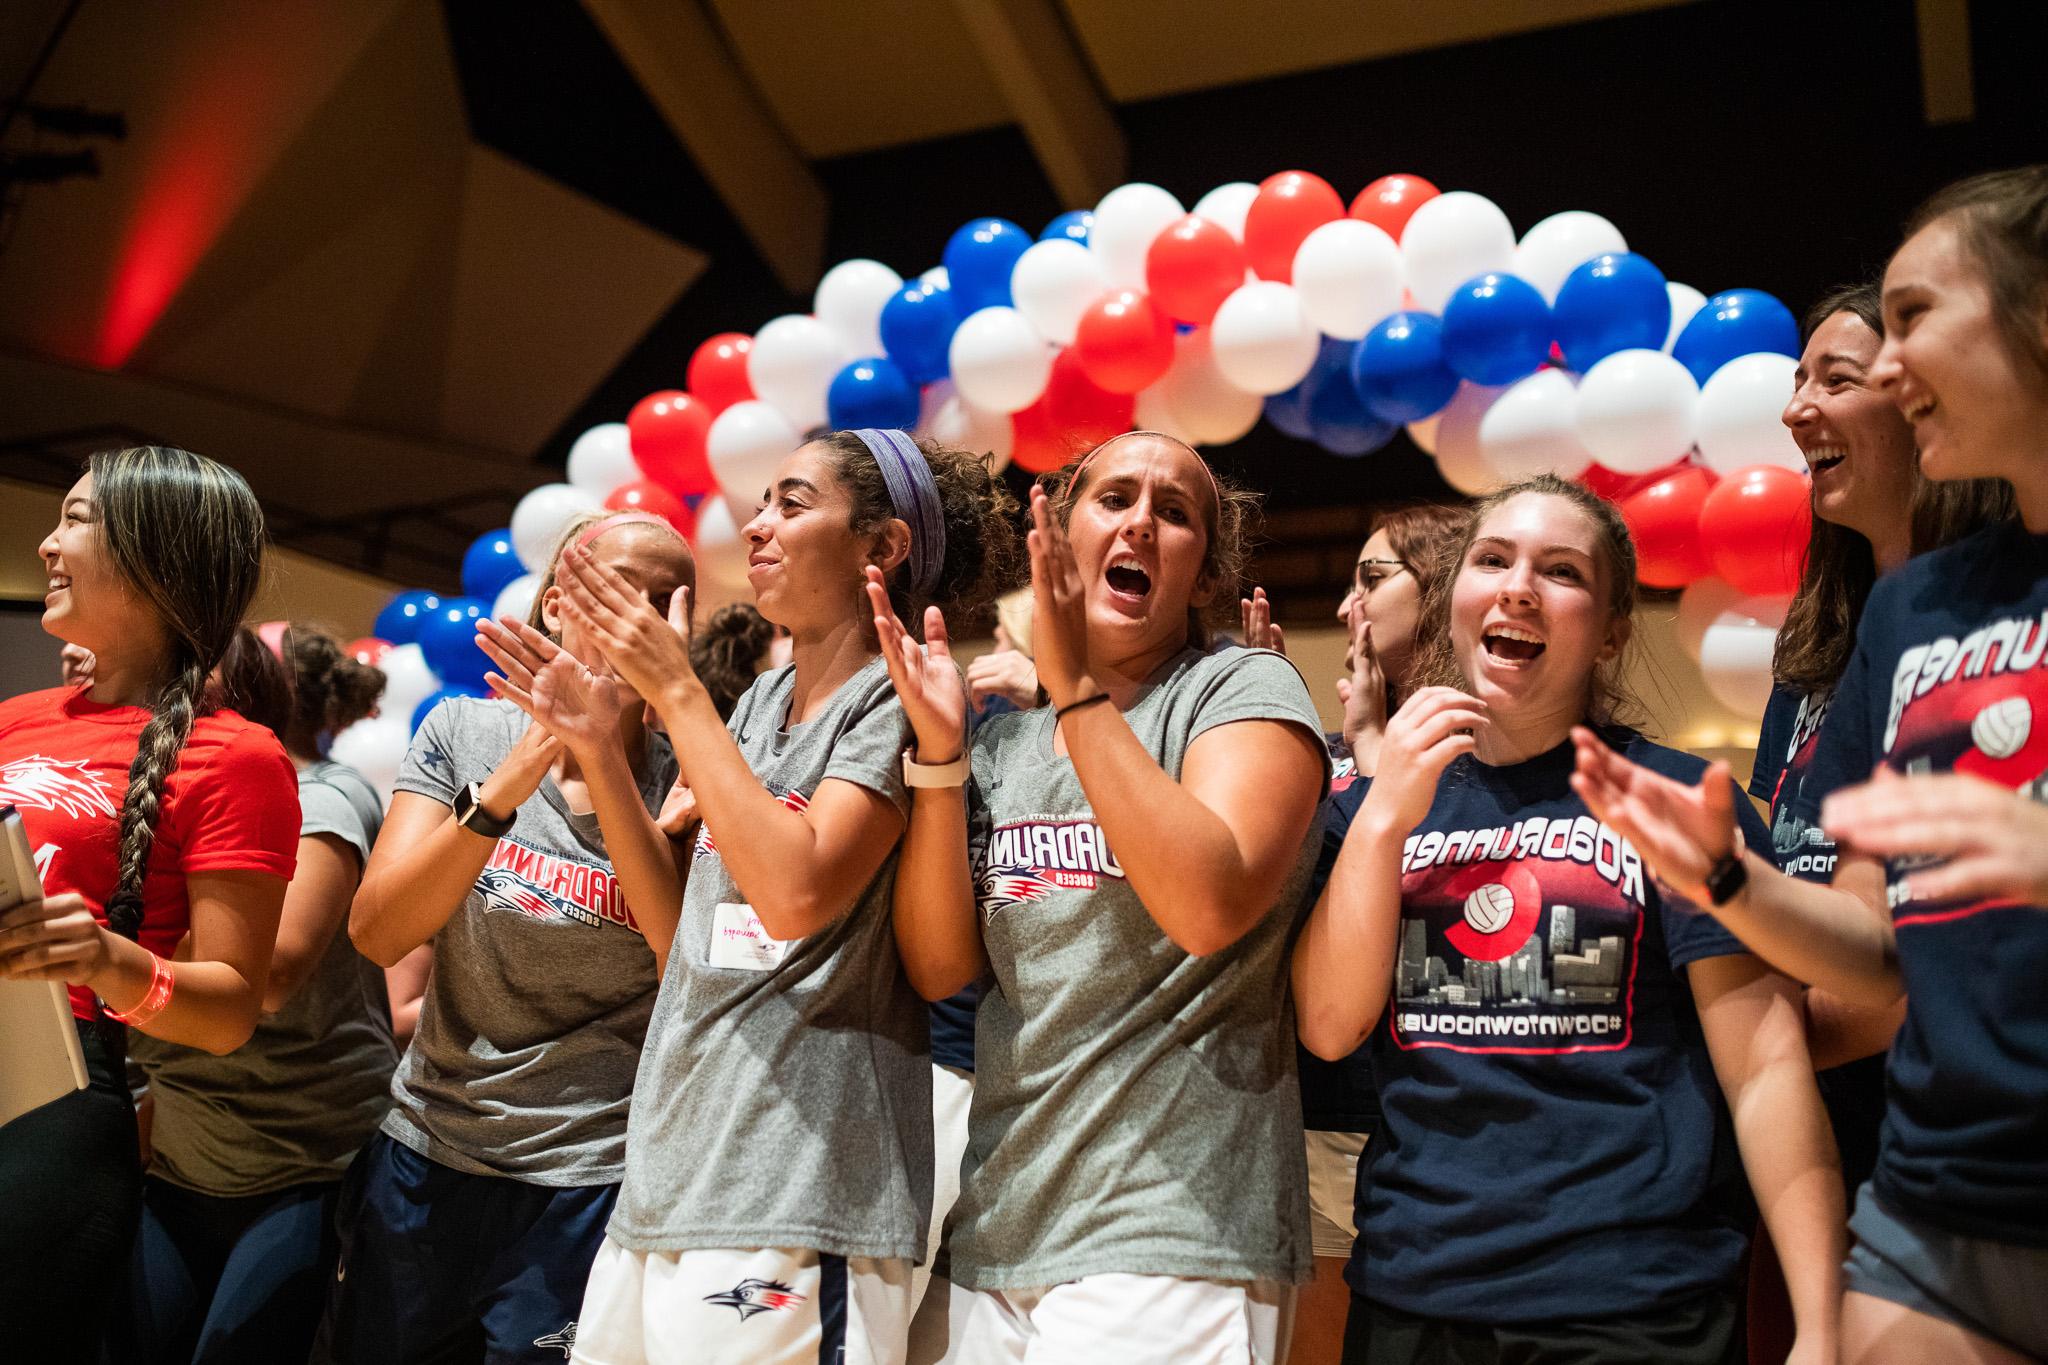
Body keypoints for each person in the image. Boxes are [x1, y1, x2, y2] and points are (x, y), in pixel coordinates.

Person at [1572, 165, 2048, 1364]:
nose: (1886, 367)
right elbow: (1879, 951)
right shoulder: (1913, 612)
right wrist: (1726, 882)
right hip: (1932, 1197)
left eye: (1910, 320)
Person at [1299, 473, 1842, 1365]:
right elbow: (1328, 1025)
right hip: (1413, 1294)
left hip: (1632, 1305)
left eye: (1561, 571)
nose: (1518, 586)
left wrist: (1819, 1325)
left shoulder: (1671, 797)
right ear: (1454, 602)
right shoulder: (1387, 805)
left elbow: (1768, 1071)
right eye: (1493, 559)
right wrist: (1387, 807)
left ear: (1613, 627)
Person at [565, 429, 1019, 1365]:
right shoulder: (757, 704)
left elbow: (797, 893)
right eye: (763, 502)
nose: (756, 525)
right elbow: (678, 933)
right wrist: (605, 753)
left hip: (804, 1193)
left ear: (881, 547)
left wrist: (677, 690)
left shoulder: (896, 704)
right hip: (673, 1171)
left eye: (792, 503)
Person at [880, 430, 1329, 1364]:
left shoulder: (1241, 689)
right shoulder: (1002, 748)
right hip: (999, 1219)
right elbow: (939, 964)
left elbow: (1207, 904)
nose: (1141, 523)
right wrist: (936, 759)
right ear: (1062, 532)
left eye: (1174, 513)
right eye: (1115, 498)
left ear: (1205, 575)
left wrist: (1076, 690)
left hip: (1177, 1223)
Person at [315, 509, 694, 1365]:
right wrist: (518, 773)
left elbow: (684, 966)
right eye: (621, 590)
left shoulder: (693, 770)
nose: (646, 616)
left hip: (587, 1179)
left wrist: (603, 752)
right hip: (427, 1153)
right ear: (557, 605)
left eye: (671, 600)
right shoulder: (461, 733)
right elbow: (378, 932)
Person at [1744, 280, 2013, 1361]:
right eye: (1793, 379)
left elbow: (1958, 940)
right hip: (1814, 1123)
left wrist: (1763, 1044)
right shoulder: (1820, 651)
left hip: (1958, 1126)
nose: (1795, 407)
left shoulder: (1998, 624)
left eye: (1833, 380)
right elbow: (1793, 868)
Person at [0, 446, 299, 1365]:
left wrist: (99, 957)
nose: (48, 544)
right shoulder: (19, 716)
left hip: (53, 1095)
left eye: (77, 520)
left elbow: (229, 1010)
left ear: (155, 553)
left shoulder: (238, 757)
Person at [120, 624, 394, 1365]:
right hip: (183, 1159)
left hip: (306, 1164)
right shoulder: (137, 790)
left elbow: (270, 976)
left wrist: (103, 939)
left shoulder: (326, 795)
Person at [1241, 503, 1465, 1365]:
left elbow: (1418, 888)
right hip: (1300, 1120)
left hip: (1406, 1130)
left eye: (1373, 580)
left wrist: (1374, 747)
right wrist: (1269, 734)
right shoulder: (1331, 745)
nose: (1347, 607)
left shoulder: (1479, 747)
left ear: (1446, 591)